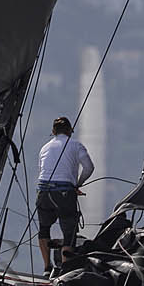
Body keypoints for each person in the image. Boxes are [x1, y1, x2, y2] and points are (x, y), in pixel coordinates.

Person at [36, 116, 95, 273]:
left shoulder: (44, 148)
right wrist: (78, 184)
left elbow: (42, 170)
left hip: (43, 191)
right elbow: (89, 167)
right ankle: (65, 270)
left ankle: (47, 267)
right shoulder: (76, 145)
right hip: (64, 192)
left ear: (53, 131)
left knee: (44, 228)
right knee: (69, 231)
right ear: (69, 131)